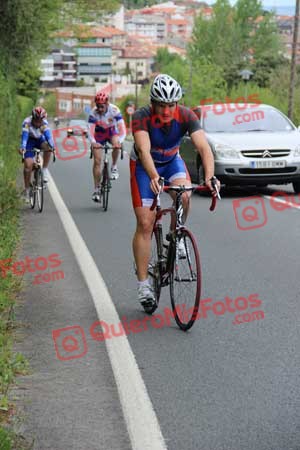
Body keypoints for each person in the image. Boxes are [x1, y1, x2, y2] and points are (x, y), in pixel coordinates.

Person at [130, 74, 220, 308]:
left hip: (171, 161)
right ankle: (143, 286)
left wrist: (210, 178)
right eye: (162, 105)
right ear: (153, 103)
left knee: (185, 194)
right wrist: (153, 176)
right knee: (145, 222)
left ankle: (176, 234)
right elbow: (144, 150)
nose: (167, 110)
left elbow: (204, 148)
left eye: (172, 104)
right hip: (144, 165)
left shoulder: (187, 116)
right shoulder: (141, 117)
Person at [88, 92, 126, 202]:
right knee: (97, 161)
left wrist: (120, 141)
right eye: (98, 106)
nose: (99, 109)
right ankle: (96, 189)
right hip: (98, 134)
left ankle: (114, 166)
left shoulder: (114, 110)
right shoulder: (93, 113)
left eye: (102, 106)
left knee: (116, 143)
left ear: (107, 104)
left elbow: (122, 130)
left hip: (111, 131)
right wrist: (93, 142)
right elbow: (90, 131)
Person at [19, 106, 55, 203]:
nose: (38, 123)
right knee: (28, 165)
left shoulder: (44, 124)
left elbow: (49, 137)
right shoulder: (27, 123)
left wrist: (52, 146)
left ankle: (44, 169)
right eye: (36, 120)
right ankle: (26, 190)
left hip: (39, 140)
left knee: (48, 148)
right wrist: (23, 147)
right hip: (29, 141)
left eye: (40, 121)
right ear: (33, 118)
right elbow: (25, 138)